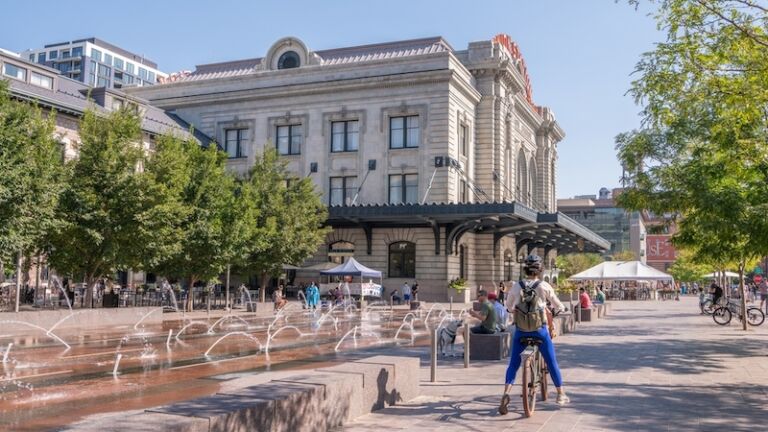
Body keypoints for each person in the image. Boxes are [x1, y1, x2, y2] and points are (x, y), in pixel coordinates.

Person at [499, 254, 569, 415]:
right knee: (552, 362)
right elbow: (558, 305)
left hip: (521, 331)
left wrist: (515, 308)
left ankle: (506, 393)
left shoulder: (517, 286)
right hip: (540, 331)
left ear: (525, 269)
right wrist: (560, 309)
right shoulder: (544, 286)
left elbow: (508, 307)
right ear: (540, 270)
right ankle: (560, 394)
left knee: (513, 364)